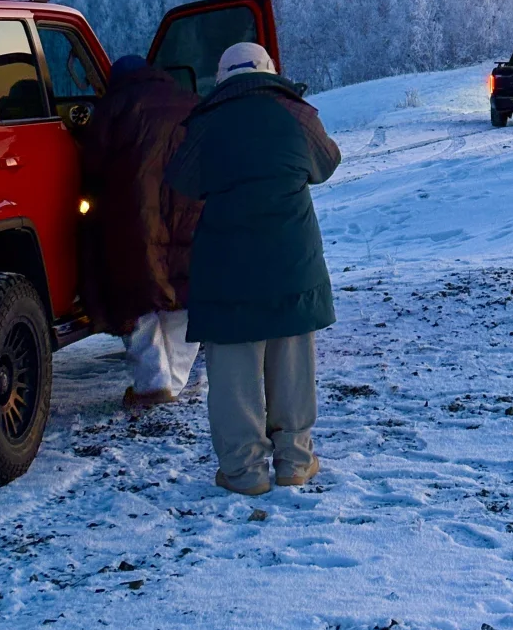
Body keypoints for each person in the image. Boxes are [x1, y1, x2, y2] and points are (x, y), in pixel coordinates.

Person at [164, 42, 341, 496]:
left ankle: (244, 473)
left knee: (234, 379)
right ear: (269, 70)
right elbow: (327, 163)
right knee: (293, 368)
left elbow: (182, 180)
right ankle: (295, 463)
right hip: (293, 265)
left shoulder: (205, 123)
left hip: (228, 271)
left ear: (221, 78)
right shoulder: (297, 114)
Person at [79, 54, 201, 406]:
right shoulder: (189, 101)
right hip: (189, 212)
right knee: (182, 295)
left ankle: (152, 386)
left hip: (132, 215)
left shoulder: (114, 107)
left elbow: (92, 164)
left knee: (134, 298)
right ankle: (173, 384)